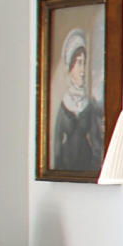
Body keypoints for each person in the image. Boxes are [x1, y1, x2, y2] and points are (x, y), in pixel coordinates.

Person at [50, 27, 105, 173]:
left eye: (84, 63)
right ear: (70, 66)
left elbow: (97, 146)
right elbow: (56, 146)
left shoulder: (89, 107)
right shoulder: (64, 107)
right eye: (78, 63)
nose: (82, 71)